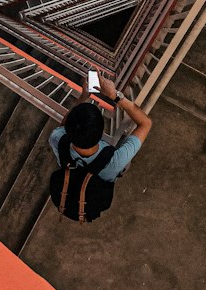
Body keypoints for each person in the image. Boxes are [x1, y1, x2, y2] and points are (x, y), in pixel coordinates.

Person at [48, 77, 152, 223]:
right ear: (101, 133)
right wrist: (116, 96)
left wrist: (84, 97)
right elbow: (146, 123)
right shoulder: (115, 161)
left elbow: (64, 126)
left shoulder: (57, 138)